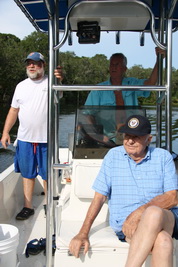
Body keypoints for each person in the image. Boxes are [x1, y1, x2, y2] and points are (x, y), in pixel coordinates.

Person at [69, 114, 178, 267]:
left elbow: (173, 197)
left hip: (164, 219)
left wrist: (139, 213)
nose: (130, 141)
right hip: (128, 226)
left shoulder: (162, 157)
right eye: (127, 136)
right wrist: (83, 233)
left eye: (137, 136)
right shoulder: (113, 156)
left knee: (153, 212)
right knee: (164, 241)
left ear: (149, 139)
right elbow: (99, 198)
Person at [1, 52, 63, 220]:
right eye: (29, 63)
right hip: (25, 139)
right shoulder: (20, 86)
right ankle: (28, 207)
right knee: (27, 174)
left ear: (43, 65)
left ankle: (49, 204)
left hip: (46, 139)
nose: (32, 66)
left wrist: (60, 79)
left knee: (47, 174)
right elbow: (14, 110)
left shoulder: (52, 83)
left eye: (36, 63)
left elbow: (59, 92)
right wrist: (6, 132)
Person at [85, 47, 165, 106]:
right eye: (111, 65)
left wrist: (159, 59)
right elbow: (87, 114)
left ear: (125, 69)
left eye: (117, 65)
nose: (114, 67)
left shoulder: (132, 84)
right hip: (107, 129)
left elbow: (151, 83)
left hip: (131, 127)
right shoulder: (98, 90)